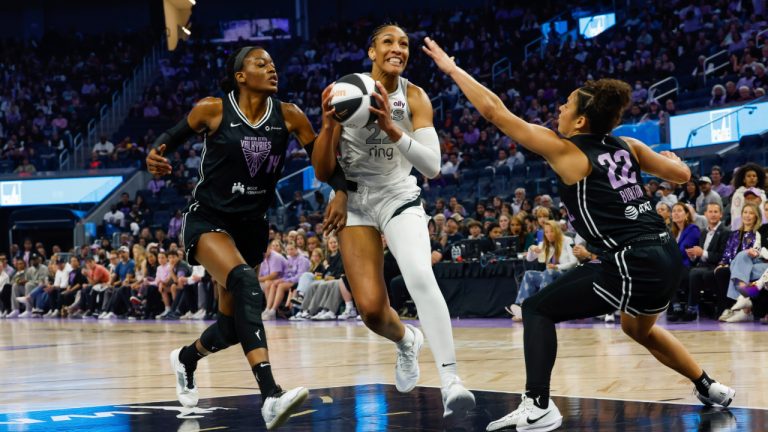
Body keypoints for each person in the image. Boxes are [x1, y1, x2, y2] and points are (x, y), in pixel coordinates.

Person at [423, 37, 736, 432]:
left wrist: (452, 70)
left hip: (632, 259)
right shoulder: (630, 145)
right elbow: (683, 175)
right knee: (637, 328)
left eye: (566, 104)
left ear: (581, 121)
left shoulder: (567, 151)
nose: (559, 108)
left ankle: (537, 404)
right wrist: (675, 162)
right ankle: (708, 386)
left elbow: (495, 113)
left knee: (537, 308)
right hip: (664, 254)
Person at [145, 45, 345, 430]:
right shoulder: (212, 109)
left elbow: (324, 167)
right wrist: (155, 157)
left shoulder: (290, 115)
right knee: (246, 283)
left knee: (231, 326)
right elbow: (164, 143)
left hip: (252, 226)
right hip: (209, 219)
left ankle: (186, 358)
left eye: (273, 63)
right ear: (240, 76)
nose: (272, 69)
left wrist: (340, 190)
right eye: (261, 63)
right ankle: (270, 394)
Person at [313, 24, 475, 419]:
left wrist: (389, 126)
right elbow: (321, 169)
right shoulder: (345, 92)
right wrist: (330, 125)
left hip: (399, 195)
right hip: (355, 202)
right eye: (388, 42)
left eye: (403, 44)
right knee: (370, 310)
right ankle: (406, 340)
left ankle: (451, 379)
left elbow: (433, 167)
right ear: (371, 51)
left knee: (420, 275)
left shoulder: (415, 96)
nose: (397, 49)